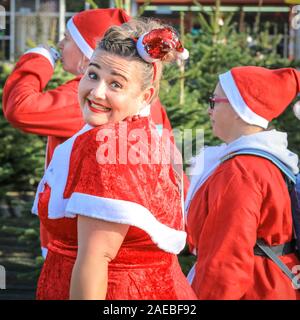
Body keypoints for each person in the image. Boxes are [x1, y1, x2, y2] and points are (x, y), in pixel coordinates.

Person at [31, 18, 196, 300]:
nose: (97, 92)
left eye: (115, 84)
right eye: (93, 75)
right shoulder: (134, 135)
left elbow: (96, 259)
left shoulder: (109, 149)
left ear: (145, 96)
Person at [2, 8, 181, 259]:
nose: (61, 44)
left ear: (88, 52)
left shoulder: (87, 98)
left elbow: (20, 108)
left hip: (82, 250)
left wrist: (38, 58)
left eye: (68, 38)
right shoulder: (145, 100)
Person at [185, 66, 300, 300]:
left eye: (214, 100)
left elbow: (225, 263)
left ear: (239, 109)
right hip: (276, 284)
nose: (209, 110)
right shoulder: (269, 159)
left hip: (254, 290)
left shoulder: (240, 171)